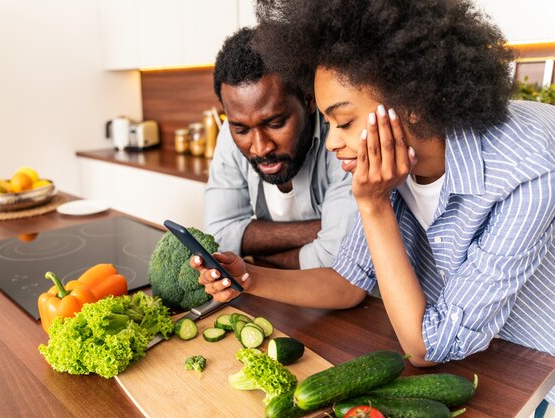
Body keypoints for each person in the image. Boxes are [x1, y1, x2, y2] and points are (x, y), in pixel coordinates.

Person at [192, 0, 555, 409]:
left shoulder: (529, 165)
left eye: (344, 122)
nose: (330, 142)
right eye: (327, 124)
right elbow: (347, 283)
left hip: (535, 373)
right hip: (467, 365)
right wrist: (249, 279)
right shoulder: (386, 163)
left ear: (413, 102)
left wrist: (375, 206)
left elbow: (427, 347)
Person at [205, 27, 357, 269]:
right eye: (242, 130)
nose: (260, 147)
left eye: (275, 123)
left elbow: (336, 259)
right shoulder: (232, 130)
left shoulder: (343, 137)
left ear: (309, 100)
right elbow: (219, 235)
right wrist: (321, 230)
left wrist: (257, 258)